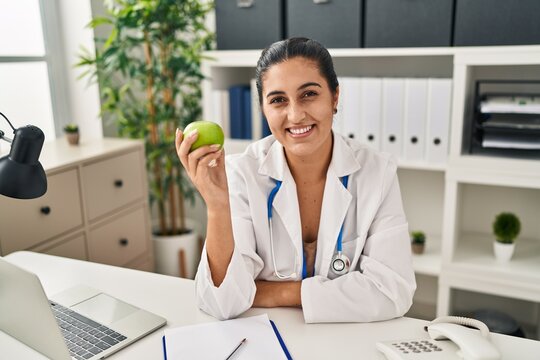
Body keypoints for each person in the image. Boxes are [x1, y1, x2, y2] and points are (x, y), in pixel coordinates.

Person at [175, 37, 416, 323]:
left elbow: (393, 292)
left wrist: (277, 293)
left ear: (334, 97)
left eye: (309, 94)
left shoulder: (377, 172)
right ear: (264, 109)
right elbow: (221, 303)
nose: (295, 115)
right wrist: (217, 206)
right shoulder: (241, 173)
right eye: (278, 100)